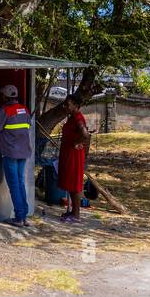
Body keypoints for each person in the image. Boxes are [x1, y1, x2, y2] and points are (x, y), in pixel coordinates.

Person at [0, 84, 33, 227]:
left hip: (10, 153)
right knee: (20, 183)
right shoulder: (24, 110)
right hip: (23, 152)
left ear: (6, 97)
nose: (2, 97)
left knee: (14, 185)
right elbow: (27, 126)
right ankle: (24, 216)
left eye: (3, 95)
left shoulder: (6, 110)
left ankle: (19, 218)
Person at [57, 93, 91, 222]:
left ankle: (76, 215)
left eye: (68, 104)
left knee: (74, 183)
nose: (65, 106)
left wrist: (77, 142)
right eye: (65, 104)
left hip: (74, 154)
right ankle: (72, 211)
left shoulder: (78, 118)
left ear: (76, 106)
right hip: (67, 152)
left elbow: (85, 134)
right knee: (70, 183)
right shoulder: (71, 117)